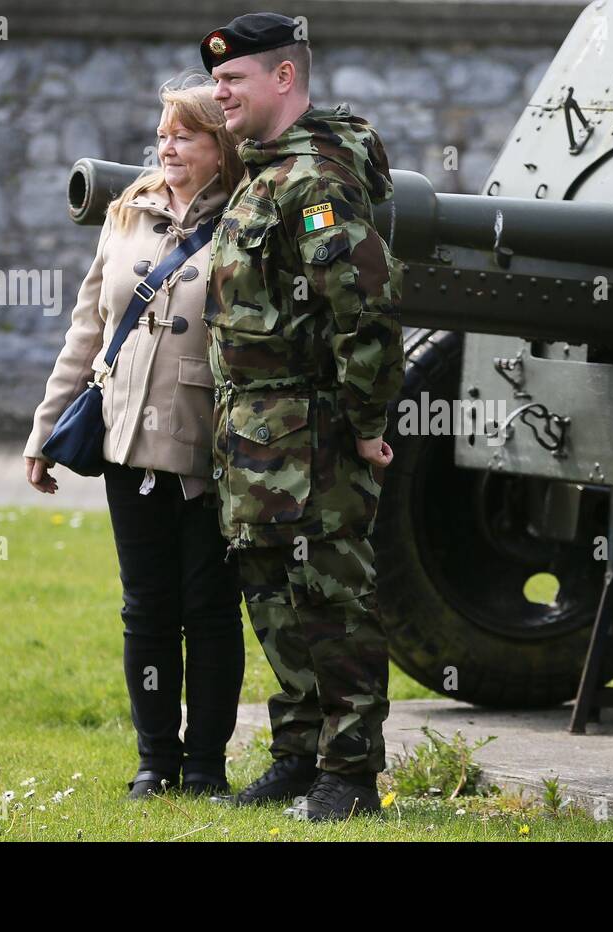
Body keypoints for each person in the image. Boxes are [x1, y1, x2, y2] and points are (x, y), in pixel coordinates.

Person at [198, 12, 404, 821]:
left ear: (284, 77)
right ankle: (298, 756)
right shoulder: (262, 171)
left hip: (312, 430)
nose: (220, 94)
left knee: (330, 597)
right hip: (252, 433)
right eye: (216, 81)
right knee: (273, 596)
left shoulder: (315, 178)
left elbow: (367, 307)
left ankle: (350, 775)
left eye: (233, 80)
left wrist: (365, 421)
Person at [23, 78, 246, 800]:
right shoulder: (127, 213)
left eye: (185, 134)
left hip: (210, 450)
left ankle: (207, 767)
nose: (167, 145)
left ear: (221, 146)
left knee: (209, 609)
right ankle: (155, 764)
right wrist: (44, 431)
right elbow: (87, 328)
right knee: (145, 607)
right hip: (125, 445)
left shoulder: (250, 218)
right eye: (163, 133)